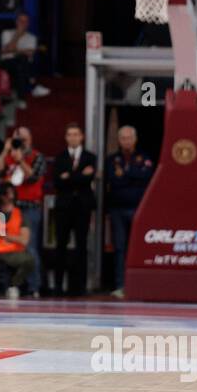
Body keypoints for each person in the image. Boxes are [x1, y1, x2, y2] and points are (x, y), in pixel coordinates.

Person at [0, 126, 45, 295]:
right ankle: (2, 285)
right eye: (17, 139)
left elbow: (33, 177)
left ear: (30, 140)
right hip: (5, 208)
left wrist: (21, 160)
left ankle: (33, 287)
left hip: (28, 207)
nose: (20, 142)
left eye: (24, 139)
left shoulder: (37, 156)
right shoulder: (8, 157)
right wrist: (5, 151)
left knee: (28, 246)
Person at [105, 125, 153, 297]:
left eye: (129, 138)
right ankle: (120, 284)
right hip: (117, 209)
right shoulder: (112, 160)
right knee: (119, 247)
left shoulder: (143, 158)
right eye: (123, 138)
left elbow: (146, 178)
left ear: (135, 139)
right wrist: (132, 175)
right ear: (119, 140)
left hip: (138, 209)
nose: (126, 141)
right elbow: (114, 181)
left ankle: (138, 285)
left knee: (138, 248)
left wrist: (125, 174)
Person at [52, 122, 95, 296]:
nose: (73, 137)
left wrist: (68, 176)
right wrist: (78, 176)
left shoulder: (90, 157)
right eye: (70, 134)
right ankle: (58, 285)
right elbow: (57, 182)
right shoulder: (60, 157)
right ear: (66, 137)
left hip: (82, 207)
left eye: (76, 134)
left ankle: (79, 286)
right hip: (63, 207)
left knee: (81, 246)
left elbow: (87, 179)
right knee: (60, 245)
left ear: (81, 136)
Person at [0, 12, 49, 100]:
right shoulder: (6, 33)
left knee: (22, 61)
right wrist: (17, 35)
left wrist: (15, 51)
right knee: (22, 60)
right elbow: (6, 51)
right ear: (16, 22)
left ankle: (21, 98)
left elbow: (29, 54)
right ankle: (33, 86)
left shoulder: (32, 38)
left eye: (25, 21)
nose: (23, 23)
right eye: (21, 21)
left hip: (24, 64)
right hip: (7, 63)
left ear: (28, 23)